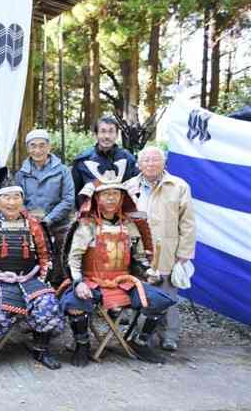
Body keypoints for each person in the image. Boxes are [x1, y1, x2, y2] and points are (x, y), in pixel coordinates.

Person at [60, 168, 176, 366]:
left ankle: (139, 342)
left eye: (115, 194)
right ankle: (82, 344)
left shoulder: (130, 225)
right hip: (92, 281)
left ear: (122, 198)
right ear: (97, 198)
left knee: (160, 300)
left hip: (123, 282)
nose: (111, 198)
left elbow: (139, 257)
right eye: (106, 194)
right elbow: (74, 258)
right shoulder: (87, 225)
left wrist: (148, 270)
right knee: (73, 303)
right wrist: (78, 282)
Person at [0, 182, 66, 370]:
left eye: (16, 197)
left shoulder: (33, 225)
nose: (12, 202)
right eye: (7, 198)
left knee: (47, 301)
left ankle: (41, 349)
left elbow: (45, 255)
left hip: (30, 279)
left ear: (22, 200)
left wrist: (42, 279)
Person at [124, 146, 196, 351]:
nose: (150, 164)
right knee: (141, 291)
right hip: (138, 251)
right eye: (146, 160)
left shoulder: (178, 186)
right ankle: (139, 333)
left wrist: (184, 253)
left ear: (164, 163)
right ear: (138, 164)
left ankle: (169, 335)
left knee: (168, 294)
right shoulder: (129, 187)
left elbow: (188, 223)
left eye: (155, 160)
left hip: (167, 248)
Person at [14, 129, 75, 286]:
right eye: (33, 146)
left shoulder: (63, 170)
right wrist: (30, 219)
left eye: (42, 145)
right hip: (31, 222)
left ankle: (61, 284)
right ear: (28, 149)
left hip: (58, 223)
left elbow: (68, 199)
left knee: (62, 251)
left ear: (49, 147)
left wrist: (49, 219)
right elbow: (17, 199)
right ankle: (33, 283)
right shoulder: (22, 173)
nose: (38, 150)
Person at [71, 116, 139, 202]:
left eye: (111, 131)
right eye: (103, 131)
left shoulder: (128, 159)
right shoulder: (83, 161)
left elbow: (137, 188)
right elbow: (76, 193)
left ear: (117, 135)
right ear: (95, 135)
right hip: (93, 212)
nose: (107, 136)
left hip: (122, 211)